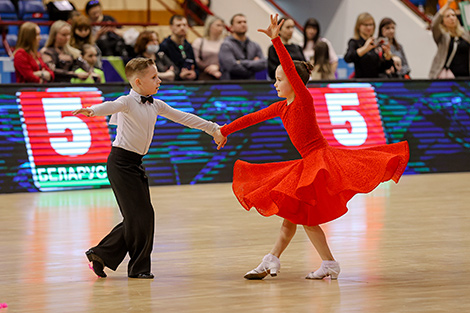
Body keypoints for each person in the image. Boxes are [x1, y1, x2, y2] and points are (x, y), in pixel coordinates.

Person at [217, 15, 409, 280]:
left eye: (279, 79)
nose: (275, 84)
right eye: (275, 79)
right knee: (292, 218)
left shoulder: (303, 99)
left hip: (319, 161)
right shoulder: (280, 108)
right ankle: (281, 260)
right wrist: (224, 131)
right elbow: (252, 117)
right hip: (307, 163)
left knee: (303, 218)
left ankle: (301, 262)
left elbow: (287, 65)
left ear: (294, 81)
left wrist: (275, 39)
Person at [72, 57, 224, 279]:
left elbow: (185, 118)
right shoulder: (127, 101)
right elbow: (110, 106)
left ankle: (101, 255)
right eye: (154, 77)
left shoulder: (157, 104)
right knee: (141, 217)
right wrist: (92, 111)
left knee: (139, 218)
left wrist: (213, 128)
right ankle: (138, 269)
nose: (159, 80)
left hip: (134, 164)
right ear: (137, 82)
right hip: (120, 164)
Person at [344, 13, 394, 79]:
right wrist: (365, 48)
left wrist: (387, 54)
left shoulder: (376, 42)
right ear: (359, 26)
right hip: (361, 81)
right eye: (366, 25)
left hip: (376, 81)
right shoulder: (354, 42)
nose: (369, 27)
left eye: (371, 24)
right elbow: (348, 58)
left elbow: (384, 67)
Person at [219, 13, 267, 80]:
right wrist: (253, 66)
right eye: (239, 22)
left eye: (245, 22)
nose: (243, 24)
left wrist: (241, 62)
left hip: (251, 86)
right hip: (231, 86)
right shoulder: (226, 45)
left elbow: (264, 63)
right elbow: (231, 67)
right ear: (231, 28)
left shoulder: (255, 45)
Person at [429, 0, 470, 78]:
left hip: (466, 76)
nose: (451, 18)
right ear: (443, 21)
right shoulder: (442, 36)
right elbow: (434, 24)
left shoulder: (465, 34)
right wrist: (447, 5)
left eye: (453, 15)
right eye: (447, 16)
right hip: (448, 77)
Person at [159, 15, 198, 81]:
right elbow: (163, 69)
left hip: (189, 83)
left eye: (184, 25)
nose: (182, 28)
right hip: (172, 85)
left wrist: (194, 73)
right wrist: (179, 75)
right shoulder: (164, 46)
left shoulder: (188, 45)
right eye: (178, 25)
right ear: (171, 27)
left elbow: (195, 66)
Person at [192, 15, 225, 80]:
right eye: (218, 25)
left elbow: (228, 60)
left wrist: (218, 67)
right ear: (209, 26)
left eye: (222, 26)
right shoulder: (199, 42)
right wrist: (210, 69)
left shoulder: (225, 43)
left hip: (221, 75)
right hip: (203, 75)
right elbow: (196, 59)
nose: (221, 28)